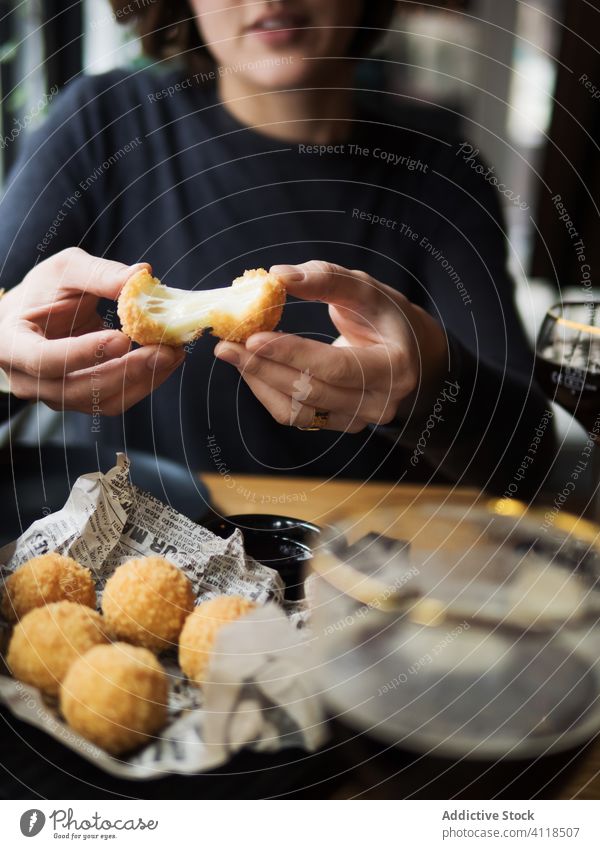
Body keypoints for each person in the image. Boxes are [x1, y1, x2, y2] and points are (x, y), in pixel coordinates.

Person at [0, 0, 555, 495]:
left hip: (363, 574)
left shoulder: (441, 176)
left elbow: (529, 462)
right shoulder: (104, 122)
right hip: (130, 550)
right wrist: (7, 357)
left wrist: (429, 381)